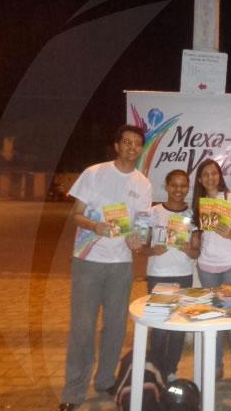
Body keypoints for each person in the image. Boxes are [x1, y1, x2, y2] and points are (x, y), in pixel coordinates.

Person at [59, 125, 152, 411]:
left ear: (141, 149)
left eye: (137, 143)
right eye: (127, 142)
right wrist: (95, 225)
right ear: (117, 145)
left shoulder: (143, 184)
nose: (131, 147)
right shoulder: (94, 173)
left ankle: (105, 380)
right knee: (82, 328)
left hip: (121, 264)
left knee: (114, 327)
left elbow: (141, 226)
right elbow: (76, 215)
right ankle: (73, 392)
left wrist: (139, 240)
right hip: (88, 260)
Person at [192, 159, 231, 393]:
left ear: (219, 175)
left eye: (214, 173)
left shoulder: (230, 198)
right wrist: (193, 236)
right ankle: (215, 368)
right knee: (212, 320)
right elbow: (194, 233)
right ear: (199, 179)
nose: (210, 177)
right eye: (205, 174)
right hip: (206, 267)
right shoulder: (196, 204)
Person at [142, 169, 201, 382]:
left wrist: (188, 249)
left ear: (188, 188)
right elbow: (139, 245)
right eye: (174, 185)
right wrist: (152, 250)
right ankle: (155, 369)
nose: (178, 190)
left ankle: (171, 370)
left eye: (183, 185)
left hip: (183, 275)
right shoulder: (152, 212)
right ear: (166, 187)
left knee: (177, 327)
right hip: (158, 275)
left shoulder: (193, 214)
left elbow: (196, 251)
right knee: (158, 327)